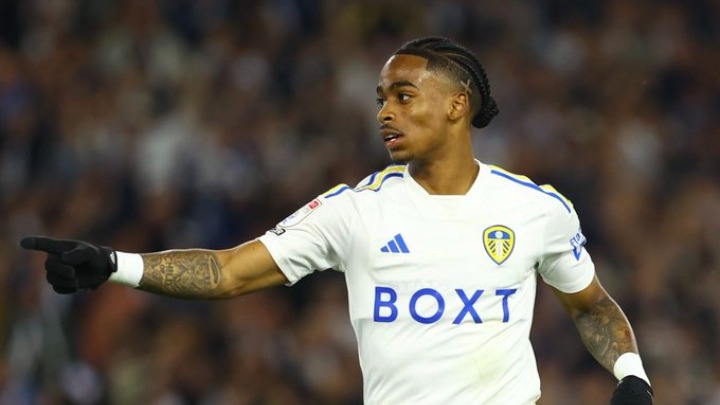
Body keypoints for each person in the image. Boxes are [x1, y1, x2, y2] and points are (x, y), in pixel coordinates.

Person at [20, 37, 653, 404]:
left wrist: (632, 378)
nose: (384, 113)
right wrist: (114, 264)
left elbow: (591, 305)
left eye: (403, 96)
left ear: (457, 105)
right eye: (380, 99)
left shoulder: (535, 209)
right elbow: (229, 271)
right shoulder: (355, 210)